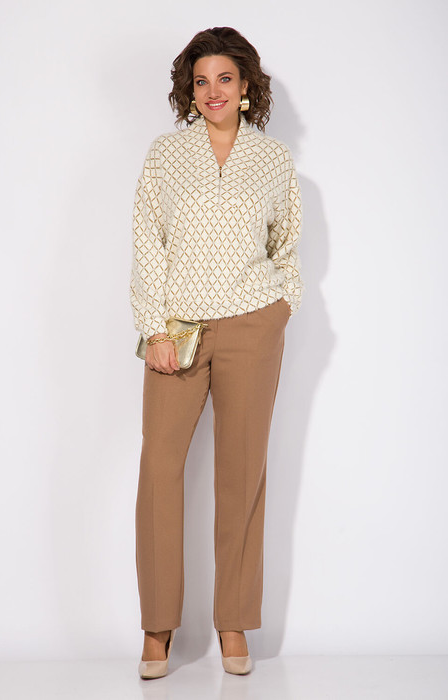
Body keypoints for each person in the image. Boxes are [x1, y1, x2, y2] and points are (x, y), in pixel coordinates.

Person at [130, 26, 304, 679]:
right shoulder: (166, 155)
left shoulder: (273, 159)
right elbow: (148, 241)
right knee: (159, 470)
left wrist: (282, 306)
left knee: (242, 474)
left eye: (224, 79)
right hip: (179, 329)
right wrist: (155, 329)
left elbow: (287, 244)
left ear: (246, 84)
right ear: (190, 89)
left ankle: (233, 623)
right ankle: (157, 628)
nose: (213, 92)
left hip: (253, 326)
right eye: (201, 81)